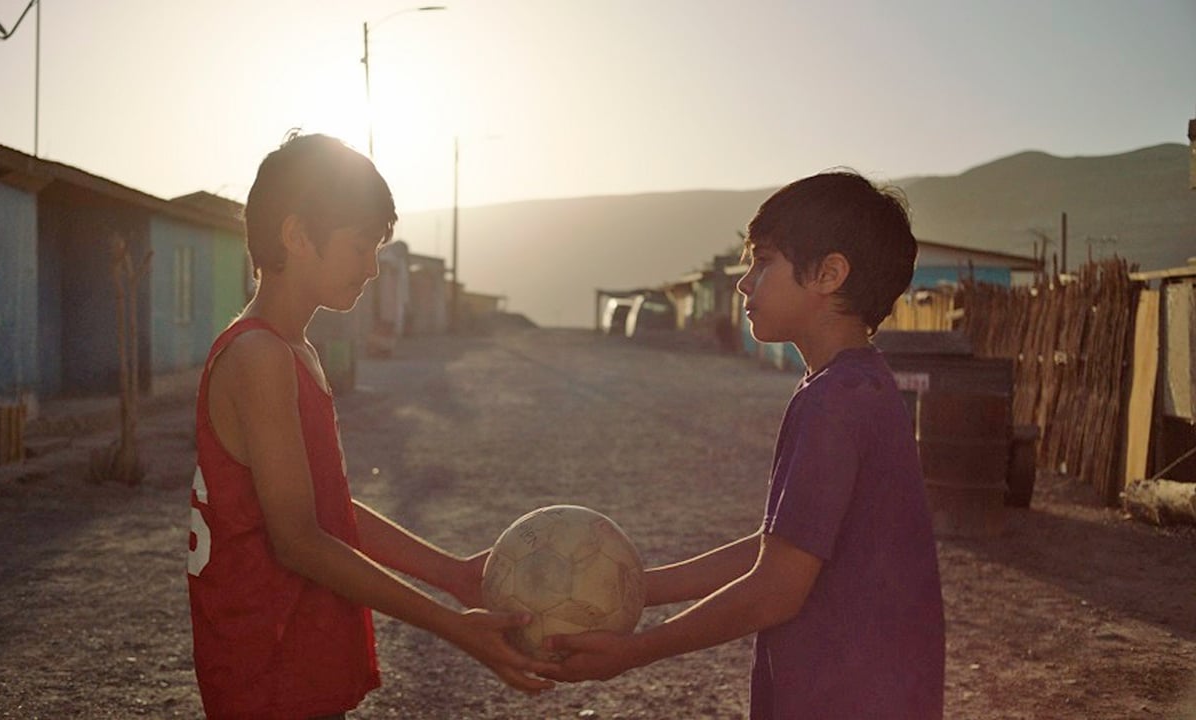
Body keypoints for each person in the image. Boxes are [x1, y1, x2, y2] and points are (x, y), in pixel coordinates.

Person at [546, 170, 945, 719]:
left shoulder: (834, 402)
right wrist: (633, 592)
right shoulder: (859, 385)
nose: (743, 282)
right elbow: (777, 549)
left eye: (763, 261)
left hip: (842, 700)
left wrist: (635, 651)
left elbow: (776, 588)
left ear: (828, 274)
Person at [186, 131, 555, 719]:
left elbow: (326, 510)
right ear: (297, 236)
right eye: (361, 246)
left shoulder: (294, 349)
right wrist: (453, 627)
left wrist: (452, 574)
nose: (373, 267)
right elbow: (299, 540)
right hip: (264, 663)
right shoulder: (258, 356)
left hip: (299, 648)